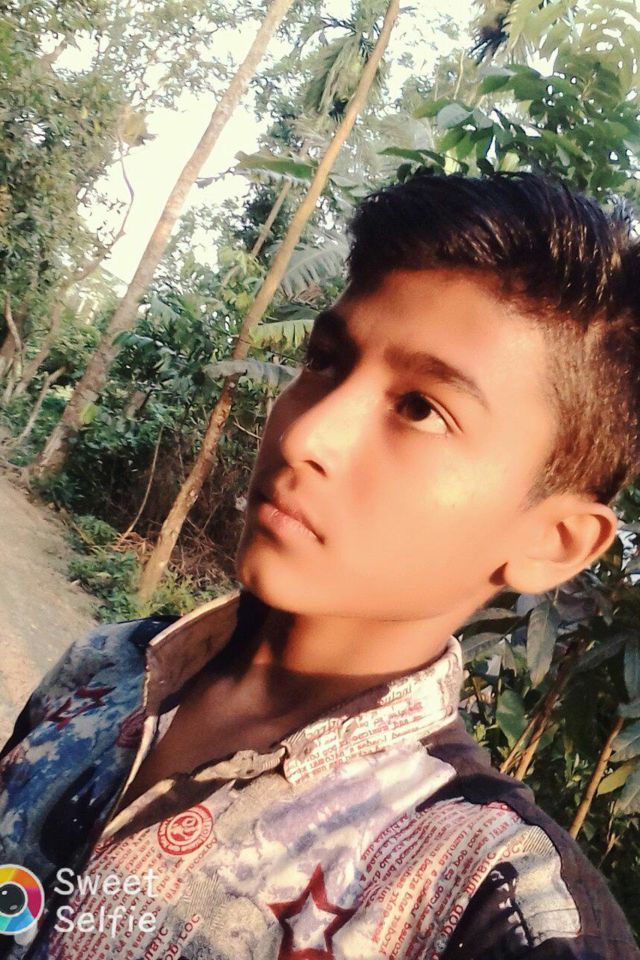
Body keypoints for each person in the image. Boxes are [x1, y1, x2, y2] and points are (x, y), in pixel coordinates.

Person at [1, 172, 639, 960]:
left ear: (553, 541)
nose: (306, 434)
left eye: (421, 409)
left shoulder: (483, 898)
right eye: (326, 360)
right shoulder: (105, 669)